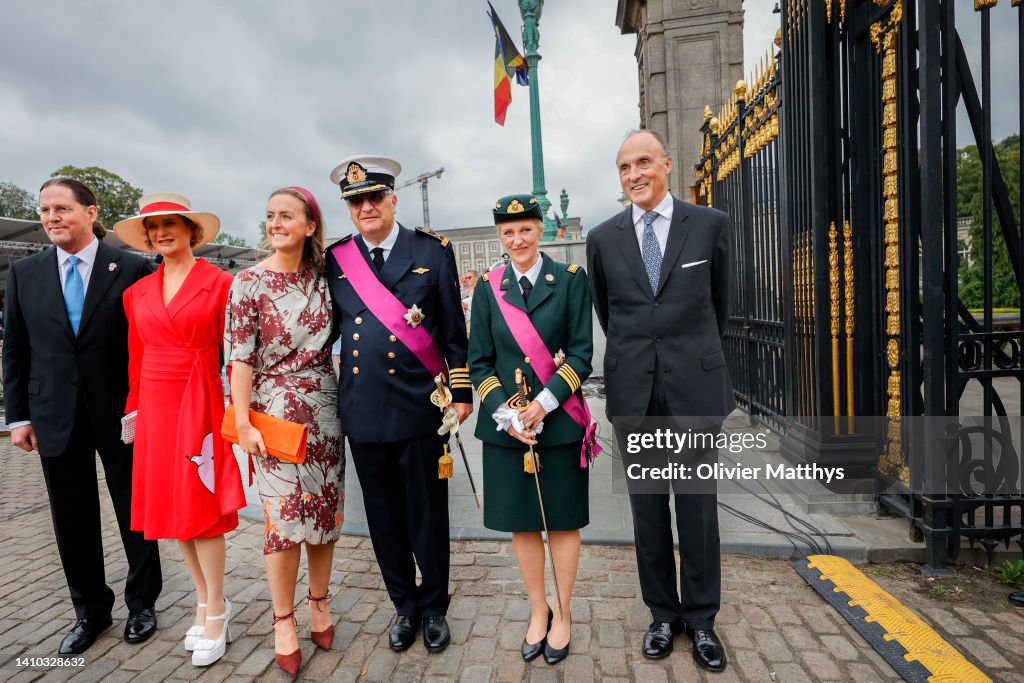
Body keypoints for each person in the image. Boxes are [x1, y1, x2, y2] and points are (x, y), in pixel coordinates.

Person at [586, 130, 734, 672]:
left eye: (643, 162)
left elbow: (721, 307)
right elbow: (610, 312)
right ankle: (661, 615)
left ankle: (701, 620)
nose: (634, 175)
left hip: (694, 391)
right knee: (647, 510)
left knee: (696, 509)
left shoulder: (710, 225)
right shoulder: (603, 239)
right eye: (624, 167)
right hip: (635, 393)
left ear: (667, 164)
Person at [2, 177, 162, 655]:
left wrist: (148, 407)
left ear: (91, 213)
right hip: (53, 414)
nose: (51, 217)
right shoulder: (25, 273)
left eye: (62, 209)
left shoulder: (132, 267)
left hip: (119, 414)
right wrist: (19, 417)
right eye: (45, 209)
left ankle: (142, 604)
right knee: (71, 519)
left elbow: (148, 346)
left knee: (135, 511)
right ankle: (90, 611)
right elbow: (17, 350)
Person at [325, 156, 472, 654]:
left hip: (418, 407)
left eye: (374, 197)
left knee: (426, 514)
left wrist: (463, 391)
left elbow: (453, 330)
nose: (366, 207)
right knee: (383, 517)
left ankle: (433, 608)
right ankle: (403, 608)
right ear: (349, 209)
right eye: (355, 201)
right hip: (363, 410)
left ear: (393, 199)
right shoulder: (336, 259)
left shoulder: (430, 251)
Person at [115, 193, 246, 666]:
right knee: (172, 512)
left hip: (201, 398)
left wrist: (239, 408)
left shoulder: (222, 283)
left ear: (192, 230)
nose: (161, 233)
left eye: (170, 224)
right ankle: (205, 600)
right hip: (155, 403)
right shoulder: (136, 293)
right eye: (153, 228)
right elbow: (136, 358)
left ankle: (217, 610)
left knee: (201, 509)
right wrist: (134, 411)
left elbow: (240, 352)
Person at [468, 194, 594, 665]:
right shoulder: (488, 286)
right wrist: (508, 414)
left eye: (524, 229)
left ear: (539, 229)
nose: (517, 239)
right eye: (508, 232)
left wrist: (541, 406)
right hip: (506, 430)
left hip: (558, 424)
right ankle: (537, 611)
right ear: (499, 237)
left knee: (561, 521)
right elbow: (478, 361)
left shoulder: (568, 281)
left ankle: (563, 613)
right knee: (522, 525)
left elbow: (582, 354)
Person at [225, 186, 343, 676]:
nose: (275, 223)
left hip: (325, 411)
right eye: (270, 216)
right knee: (283, 523)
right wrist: (243, 421)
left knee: (324, 518)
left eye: (287, 216)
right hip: (271, 415)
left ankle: (319, 602)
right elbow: (239, 357)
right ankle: (282, 619)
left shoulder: (326, 278)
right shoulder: (247, 283)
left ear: (310, 225)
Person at [460, 269, 478, 334]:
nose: (467, 279)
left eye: (469, 277)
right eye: (466, 278)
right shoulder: (464, 293)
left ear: (476, 277)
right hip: (469, 323)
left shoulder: (482, 289)